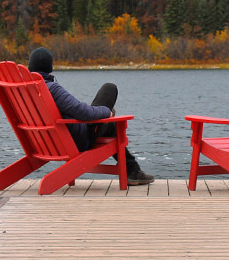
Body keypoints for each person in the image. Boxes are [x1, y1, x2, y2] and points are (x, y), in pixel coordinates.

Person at [27, 47, 154, 185]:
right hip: (76, 140)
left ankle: (133, 170)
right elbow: (83, 112)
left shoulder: (24, 90)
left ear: (30, 66)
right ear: (50, 67)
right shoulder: (52, 89)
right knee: (109, 90)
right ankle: (133, 170)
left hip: (44, 142)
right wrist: (106, 112)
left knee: (109, 123)